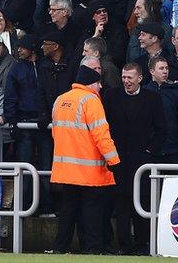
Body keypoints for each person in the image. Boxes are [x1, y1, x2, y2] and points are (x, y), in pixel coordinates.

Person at [50, 63, 121, 254]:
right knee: (92, 212)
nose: (100, 87)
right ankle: (92, 248)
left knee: (68, 211)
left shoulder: (60, 100)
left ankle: (60, 248)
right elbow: (101, 135)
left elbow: (56, 134)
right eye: (98, 83)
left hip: (65, 169)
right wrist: (114, 161)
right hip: (89, 171)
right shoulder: (91, 100)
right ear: (90, 83)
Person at [104, 62, 166, 255]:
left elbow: (162, 129)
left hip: (142, 161)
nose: (126, 81)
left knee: (142, 204)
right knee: (121, 205)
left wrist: (149, 151)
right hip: (119, 161)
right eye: (123, 77)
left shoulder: (153, 98)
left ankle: (142, 245)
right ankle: (124, 246)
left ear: (139, 78)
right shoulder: (111, 96)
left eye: (129, 77)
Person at [4, 34, 55, 215]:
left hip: (44, 125)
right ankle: (24, 207)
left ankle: (47, 205)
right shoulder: (16, 69)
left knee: (45, 166)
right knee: (24, 167)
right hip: (25, 123)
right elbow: (10, 96)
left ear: (32, 48)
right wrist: (13, 122)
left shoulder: (46, 67)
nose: (18, 50)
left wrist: (47, 115)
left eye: (22, 47)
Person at [36, 31, 79, 130]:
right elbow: (41, 92)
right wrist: (43, 114)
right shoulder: (43, 66)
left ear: (55, 46)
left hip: (69, 120)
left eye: (45, 44)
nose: (42, 47)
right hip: (49, 120)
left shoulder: (73, 65)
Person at [145, 57, 178, 164]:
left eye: (167, 68)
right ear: (152, 71)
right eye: (161, 68)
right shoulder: (144, 92)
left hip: (173, 149)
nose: (165, 71)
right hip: (151, 150)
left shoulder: (175, 92)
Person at [82, 0, 128, 68]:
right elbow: (82, 54)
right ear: (93, 17)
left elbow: (119, 56)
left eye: (104, 11)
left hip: (110, 67)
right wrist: (95, 36)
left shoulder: (119, 30)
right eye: (98, 12)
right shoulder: (88, 31)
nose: (102, 13)